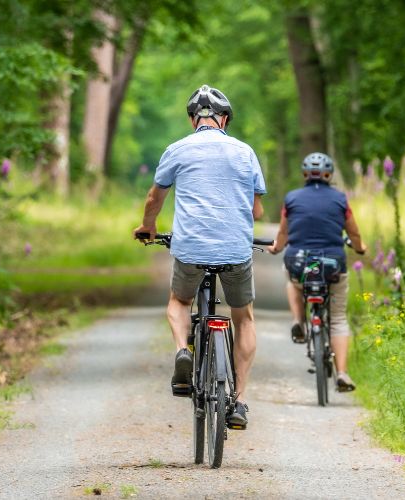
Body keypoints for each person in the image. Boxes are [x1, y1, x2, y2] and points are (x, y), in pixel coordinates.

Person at [133, 84, 266, 429]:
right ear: (224, 119)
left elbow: (154, 198)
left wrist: (148, 227)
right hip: (236, 249)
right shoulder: (244, 152)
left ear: (194, 120)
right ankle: (240, 402)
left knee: (179, 300)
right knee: (245, 318)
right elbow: (257, 208)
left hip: (190, 247)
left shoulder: (177, 149)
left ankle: (182, 350)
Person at [267, 152, 366, 392]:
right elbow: (353, 233)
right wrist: (361, 248)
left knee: (291, 279)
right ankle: (342, 373)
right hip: (332, 265)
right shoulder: (341, 199)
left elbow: (283, 234)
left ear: (304, 174)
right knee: (339, 318)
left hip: (300, 263)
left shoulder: (291, 198)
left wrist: (277, 247)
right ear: (329, 175)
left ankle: (299, 320)